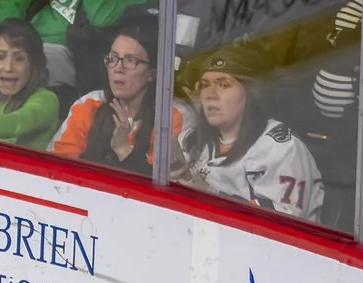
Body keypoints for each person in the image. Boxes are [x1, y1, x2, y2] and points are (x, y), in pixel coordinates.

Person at [178, 60, 327, 222]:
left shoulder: (280, 148)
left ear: (249, 93)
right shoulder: (193, 140)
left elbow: (282, 222)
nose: (210, 94)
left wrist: (212, 195)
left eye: (224, 85)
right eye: (205, 85)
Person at [50, 16, 187, 171]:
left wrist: (124, 149)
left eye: (130, 61)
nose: (118, 68)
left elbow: (168, 183)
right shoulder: (88, 104)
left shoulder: (174, 116)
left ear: (152, 73)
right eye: (113, 58)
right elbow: (57, 169)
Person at [0, 20, 63, 149]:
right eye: (0, 57)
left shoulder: (46, 100)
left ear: (34, 64)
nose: (8, 68)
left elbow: (18, 123)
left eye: (19, 58)